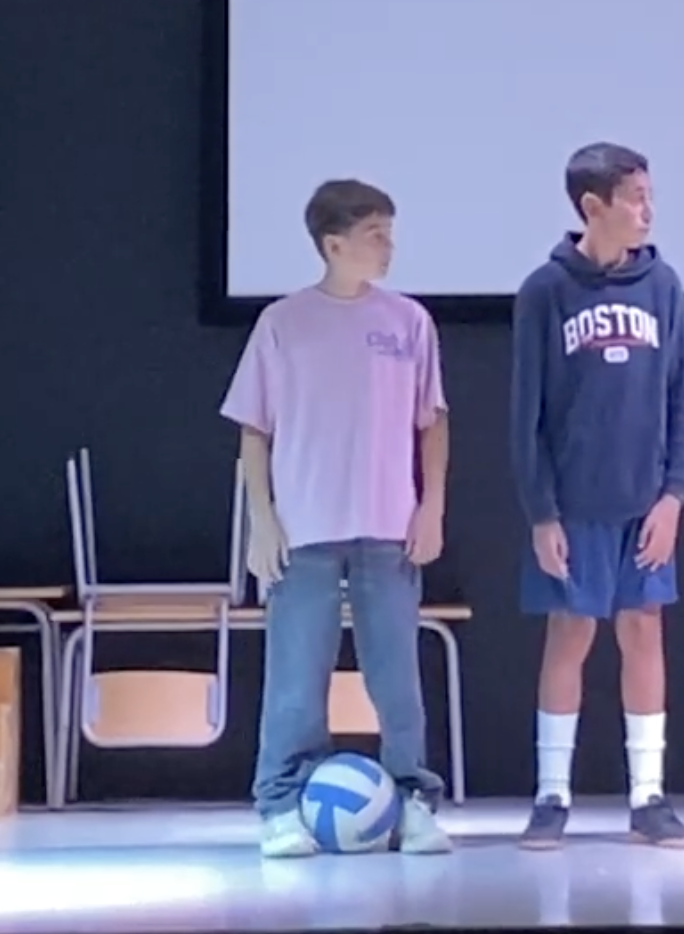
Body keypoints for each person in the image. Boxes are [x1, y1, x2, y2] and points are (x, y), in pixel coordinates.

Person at [220, 179, 453, 859]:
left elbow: (432, 421)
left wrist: (432, 505)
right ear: (333, 244)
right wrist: (262, 521)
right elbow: (253, 431)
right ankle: (280, 805)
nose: (388, 246)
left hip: (388, 529)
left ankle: (414, 800)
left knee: (397, 680)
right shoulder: (282, 323)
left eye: (390, 232)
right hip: (305, 530)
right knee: (297, 680)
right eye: (375, 233)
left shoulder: (409, 322)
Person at [509, 142, 684, 851]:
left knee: (644, 628)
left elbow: (681, 398)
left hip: (644, 502)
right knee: (570, 632)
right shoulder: (545, 291)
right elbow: (525, 414)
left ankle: (648, 795)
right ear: (594, 206)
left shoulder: (663, 286)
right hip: (574, 504)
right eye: (635, 197)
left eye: (651, 195)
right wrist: (541, 512)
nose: (648, 210)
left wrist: (674, 495)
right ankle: (551, 794)